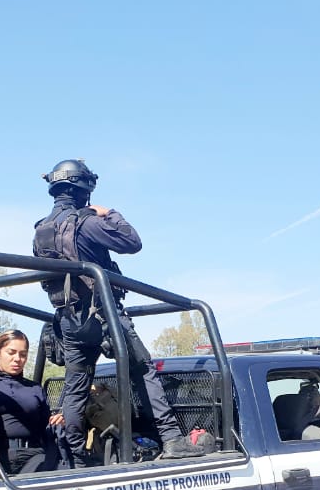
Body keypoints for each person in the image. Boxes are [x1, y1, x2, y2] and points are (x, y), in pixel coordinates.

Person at [33, 158, 207, 465]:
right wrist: (109, 213)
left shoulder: (41, 231)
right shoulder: (86, 223)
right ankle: (170, 438)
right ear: (83, 187)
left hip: (68, 321)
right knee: (142, 369)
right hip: (102, 317)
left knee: (75, 386)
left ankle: (73, 454)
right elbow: (132, 241)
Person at [0, 329, 62, 474]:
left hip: (34, 456)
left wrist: (57, 421)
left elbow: (46, 426)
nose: (17, 359)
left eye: (23, 354)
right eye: (11, 353)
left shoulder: (34, 388)